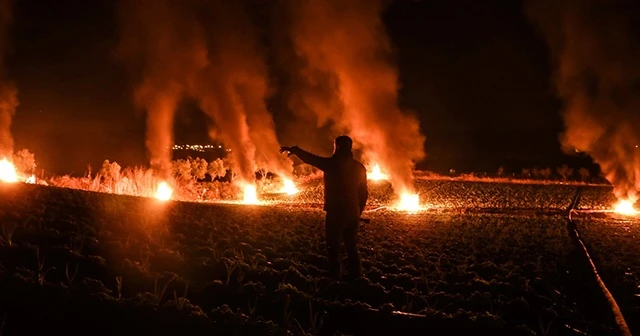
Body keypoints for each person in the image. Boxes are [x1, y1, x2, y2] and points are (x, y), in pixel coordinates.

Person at [280, 135, 368, 280]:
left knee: (333, 246)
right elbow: (364, 192)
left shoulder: (332, 165)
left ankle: (335, 276)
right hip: (353, 212)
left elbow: (312, 159)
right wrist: (358, 211)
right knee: (351, 246)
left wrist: (296, 150)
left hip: (336, 212)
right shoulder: (359, 167)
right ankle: (357, 277)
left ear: (337, 147)